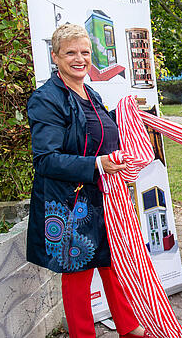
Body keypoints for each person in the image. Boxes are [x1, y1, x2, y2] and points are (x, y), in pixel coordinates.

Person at [27, 24, 150, 338]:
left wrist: (129, 116)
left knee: (113, 263)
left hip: (99, 195)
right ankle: (83, 335)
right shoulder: (46, 99)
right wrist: (98, 163)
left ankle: (128, 326)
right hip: (69, 201)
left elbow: (102, 130)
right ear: (55, 57)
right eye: (70, 52)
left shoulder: (89, 91)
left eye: (84, 52)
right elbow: (46, 159)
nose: (79, 59)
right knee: (78, 275)